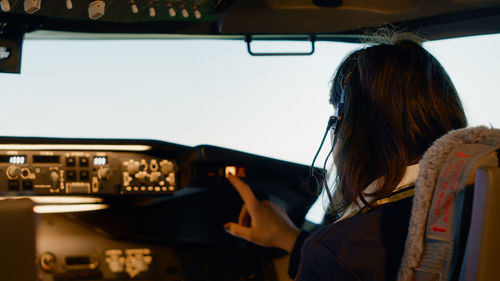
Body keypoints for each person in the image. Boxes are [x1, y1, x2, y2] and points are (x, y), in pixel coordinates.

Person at [223, 33, 468, 281]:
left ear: (351, 129)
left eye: (336, 118)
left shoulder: (340, 250)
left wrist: (316, 249)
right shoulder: (473, 204)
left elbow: (342, 261)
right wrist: (289, 238)